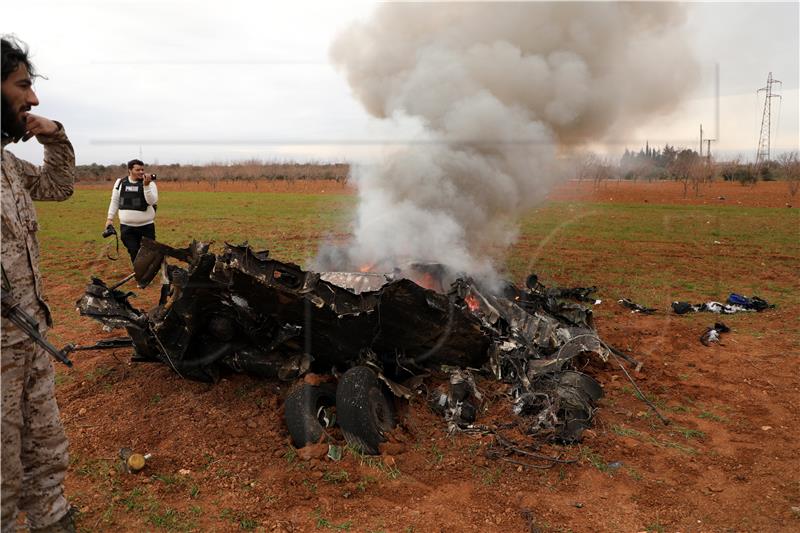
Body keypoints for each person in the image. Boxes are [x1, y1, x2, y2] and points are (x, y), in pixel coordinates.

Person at [1, 36, 76, 533]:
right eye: (23, 86)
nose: (33, 99)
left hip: (29, 339)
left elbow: (59, 185)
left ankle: (51, 520)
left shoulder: (7, 166)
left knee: (45, 445)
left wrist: (55, 136)